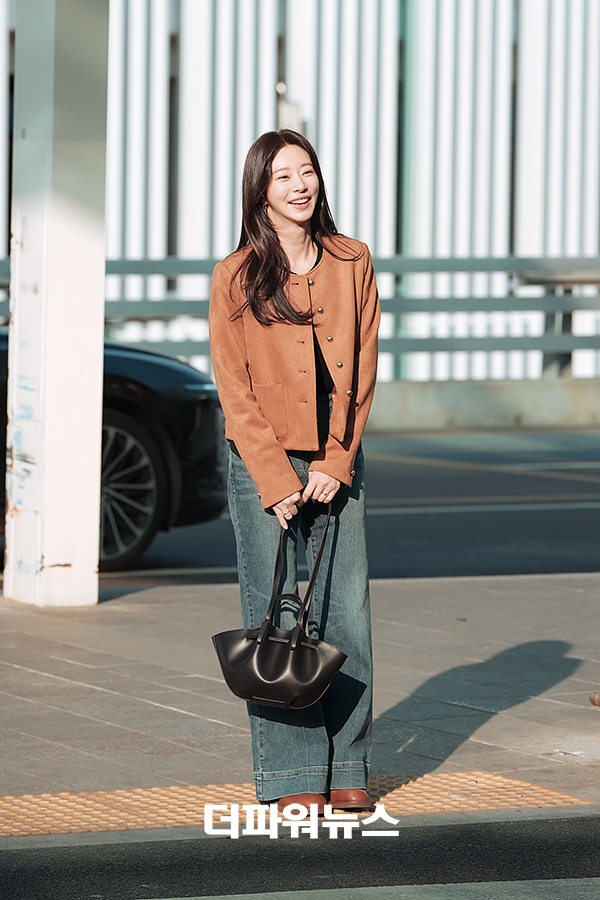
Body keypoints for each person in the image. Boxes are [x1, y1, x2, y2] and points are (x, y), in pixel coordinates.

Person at [209, 129, 380, 812]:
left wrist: (336, 462)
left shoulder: (351, 260)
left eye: (306, 172)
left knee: (349, 613)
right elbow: (233, 387)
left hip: (336, 457)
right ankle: (290, 774)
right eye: (283, 177)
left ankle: (350, 767)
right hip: (263, 461)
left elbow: (360, 372)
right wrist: (276, 480)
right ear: (260, 189)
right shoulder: (236, 273)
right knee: (275, 612)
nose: (299, 186)